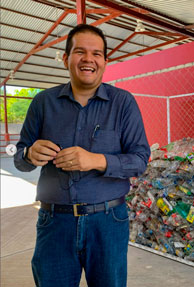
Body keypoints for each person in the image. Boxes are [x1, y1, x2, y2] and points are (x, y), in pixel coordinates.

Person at [14, 24, 150, 287]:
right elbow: (20, 158)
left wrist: (96, 160)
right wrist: (30, 154)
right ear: (66, 59)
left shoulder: (123, 103)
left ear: (105, 61)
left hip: (108, 221)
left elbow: (140, 160)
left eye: (97, 54)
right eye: (80, 52)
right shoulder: (43, 103)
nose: (89, 59)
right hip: (55, 222)